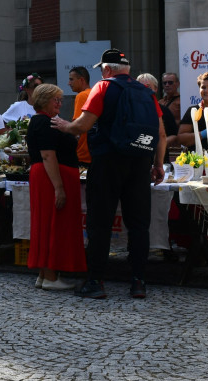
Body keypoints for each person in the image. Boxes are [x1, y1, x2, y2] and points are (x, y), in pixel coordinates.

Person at [53, 48, 166, 300]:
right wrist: (158, 164)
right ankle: (138, 282)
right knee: (139, 225)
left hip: (107, 162)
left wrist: (64, 126)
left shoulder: (103, 87)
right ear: (127, 69)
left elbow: (83, 125)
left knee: (100, 222)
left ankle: (95, 281)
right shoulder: (147, 92)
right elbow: (160, 134)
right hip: (140, 163)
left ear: (106, 69)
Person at [27, 84, 87, 291]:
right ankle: (50, 276)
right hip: (52, 177)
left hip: (50, 176)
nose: (60, 103)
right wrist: (59, 187)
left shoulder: (45, 121)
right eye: (56, 100)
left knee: (48, 223)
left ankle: (45, 274)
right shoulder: (45, 122)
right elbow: (47, 155)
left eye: (61, 100)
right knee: (53, 224)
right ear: (44, 100)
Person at [137, 73, 178, 147]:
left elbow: (174, 135)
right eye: (141, 87)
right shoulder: (130, 109)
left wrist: (158, 144)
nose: (144, 90)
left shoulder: (164, 111)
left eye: (148, 87)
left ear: (155, 89)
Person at [68, 67, 92, 165]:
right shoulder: (94, 93)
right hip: (95, 152)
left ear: (81, 80)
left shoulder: (81, 96)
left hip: (83, 154)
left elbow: (77, 127)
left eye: (71, 79)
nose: (69, 83)